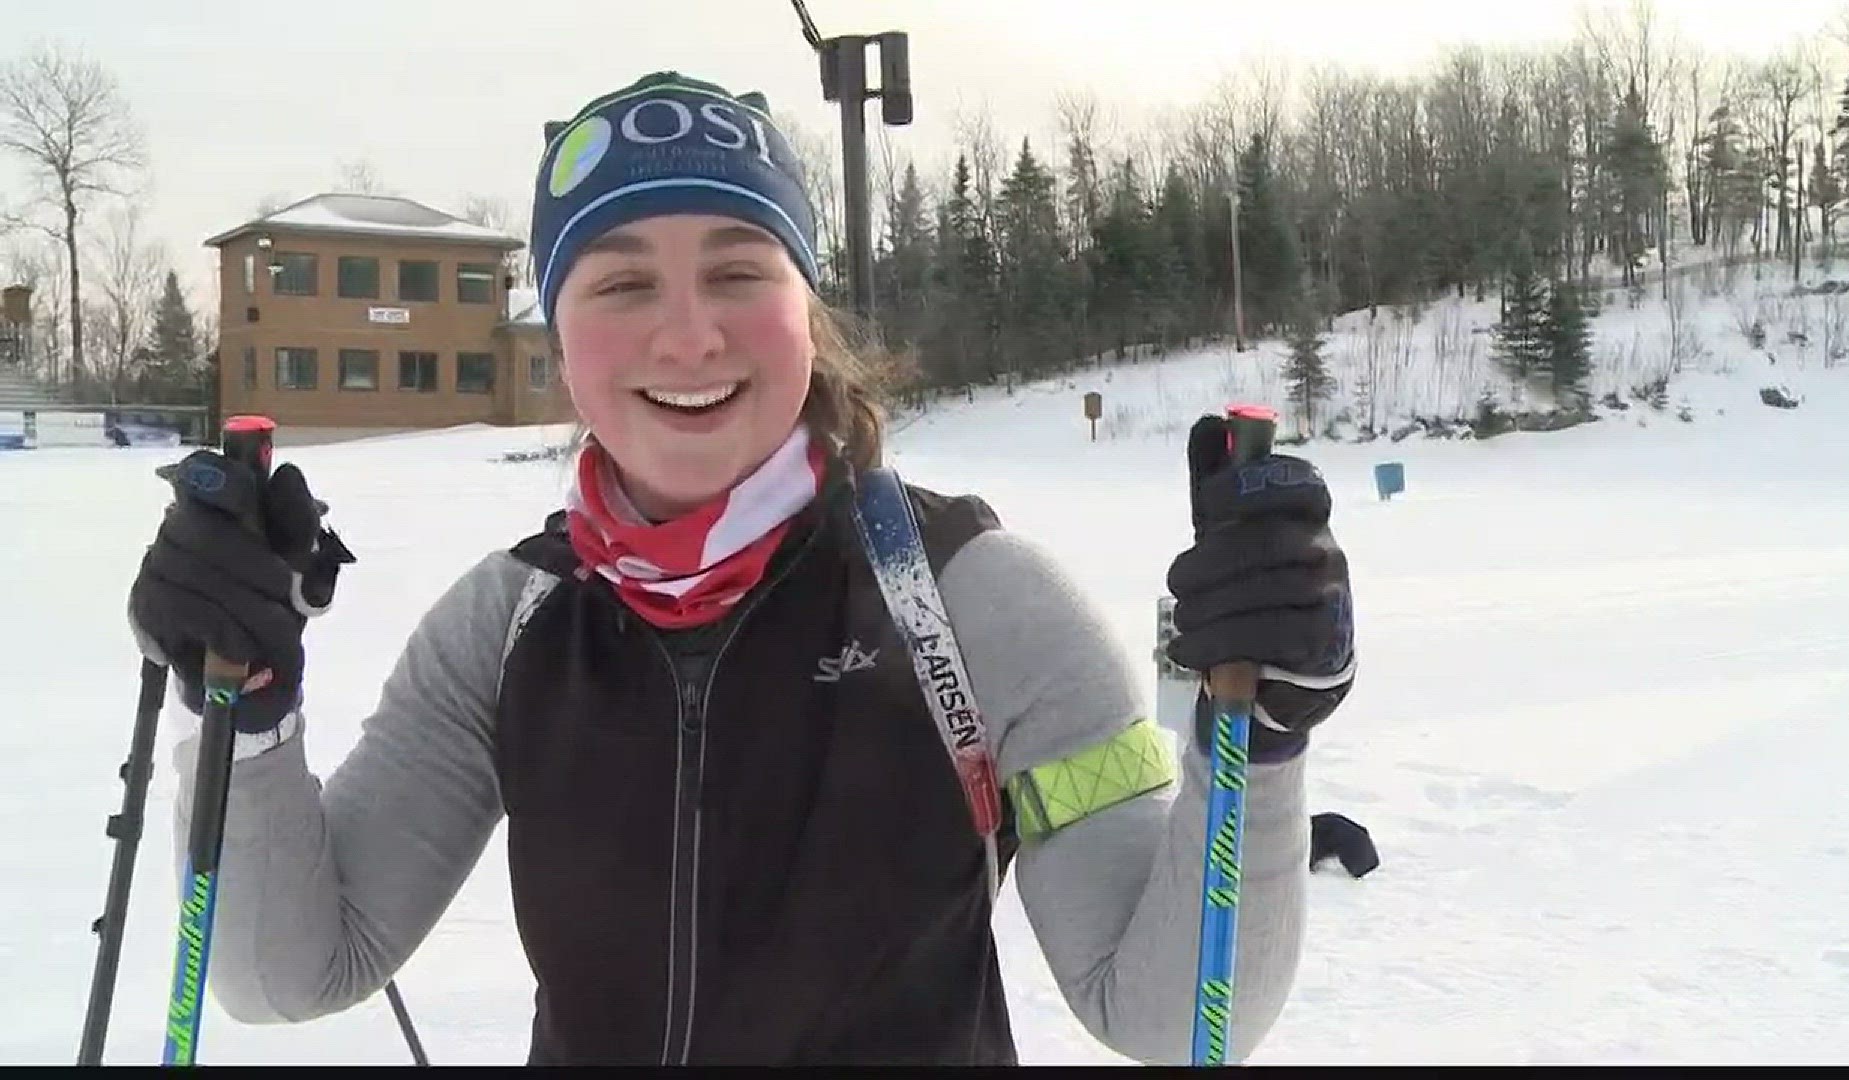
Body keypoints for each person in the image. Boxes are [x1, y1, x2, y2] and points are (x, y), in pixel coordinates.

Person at [126, 71, 1357, 1066]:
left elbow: (1165, 1016)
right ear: (561, 344)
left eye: (736, 270)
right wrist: (249, 720)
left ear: (804, 315)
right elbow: (288, 972)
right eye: (621, 283)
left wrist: (1267, 733)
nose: (690, 332)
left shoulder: (974, 598)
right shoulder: (505, 628)